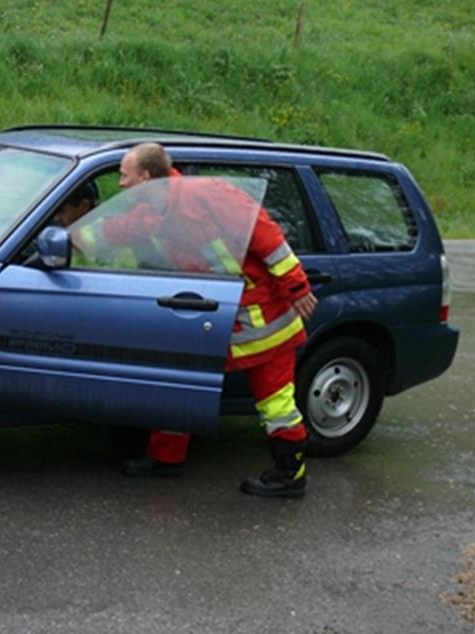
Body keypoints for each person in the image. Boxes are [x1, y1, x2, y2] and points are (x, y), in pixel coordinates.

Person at [77, 143, 318, 497]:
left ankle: (290, 475)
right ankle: (166, 458)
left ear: (146, 177)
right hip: (212, 317)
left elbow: (266, 236)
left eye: (125, 176)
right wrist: (62, 236)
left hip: (262, 320)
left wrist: (297, 286)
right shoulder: (151, 214)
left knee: (276, 403)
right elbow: (109, 232)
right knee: (179, 385)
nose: (121, 184)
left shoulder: (206, 194)